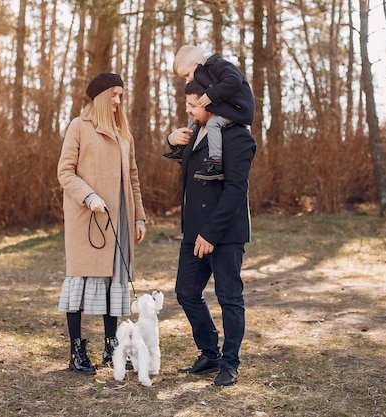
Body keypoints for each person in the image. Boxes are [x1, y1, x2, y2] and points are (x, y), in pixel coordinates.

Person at [166, 80, 256, 386]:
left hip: (225, 232)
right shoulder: (195, 132)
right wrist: (173, 142)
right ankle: (209, 353)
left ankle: (230, 363)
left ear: (211, 104)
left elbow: (235, 190)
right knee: (186, 293)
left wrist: (211, 233)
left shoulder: (238, 137)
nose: (188, 111)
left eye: (194, 106)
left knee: (229, 297)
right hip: (193, 230)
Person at [57, 72, 147, 375]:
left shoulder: (124, 134)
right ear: (100, 97)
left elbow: (133, 178)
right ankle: (76, 352)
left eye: (121, 95)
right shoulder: (79, 127)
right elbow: (65, 172)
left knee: (113, 282)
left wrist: (138, 217)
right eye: (114, 95)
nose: (119, 101)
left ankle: (112, 348)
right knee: (80, 283)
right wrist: (89, 196)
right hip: (88, 220)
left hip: (118, 219)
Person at [163, 45, 255, 181]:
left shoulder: (219, 66)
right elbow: (192, 162)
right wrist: (173, 141)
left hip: (238, 109)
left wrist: (212, 94)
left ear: (197, 64)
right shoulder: (204, 77)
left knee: (213, 123)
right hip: (225, 106)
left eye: (187, 75)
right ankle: (182, 149)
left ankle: (215, 163)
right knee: (193, 120)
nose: (188, 79)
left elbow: (234, 80)